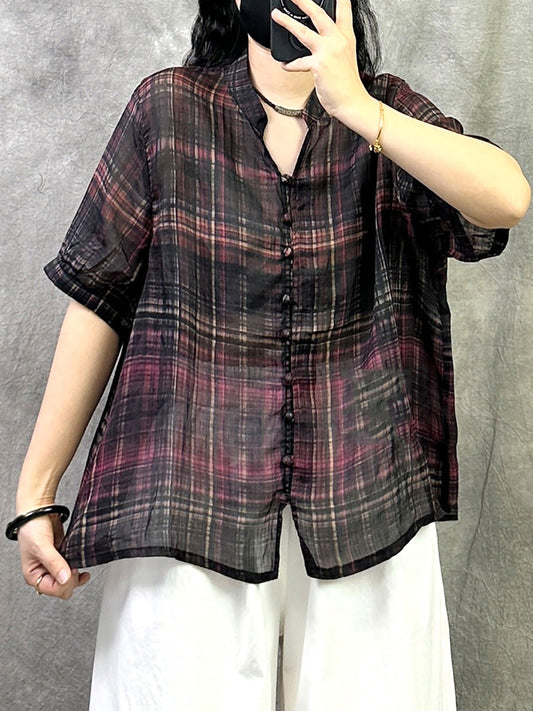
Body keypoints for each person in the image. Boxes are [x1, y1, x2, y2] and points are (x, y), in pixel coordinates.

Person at [6, 0, 530, 709]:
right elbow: (99, 296)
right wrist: (36, 494)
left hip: (366, 500)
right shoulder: (167, 109)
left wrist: (358, 109)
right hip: (188, 502)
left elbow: (504, 199)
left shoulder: (387, 114)